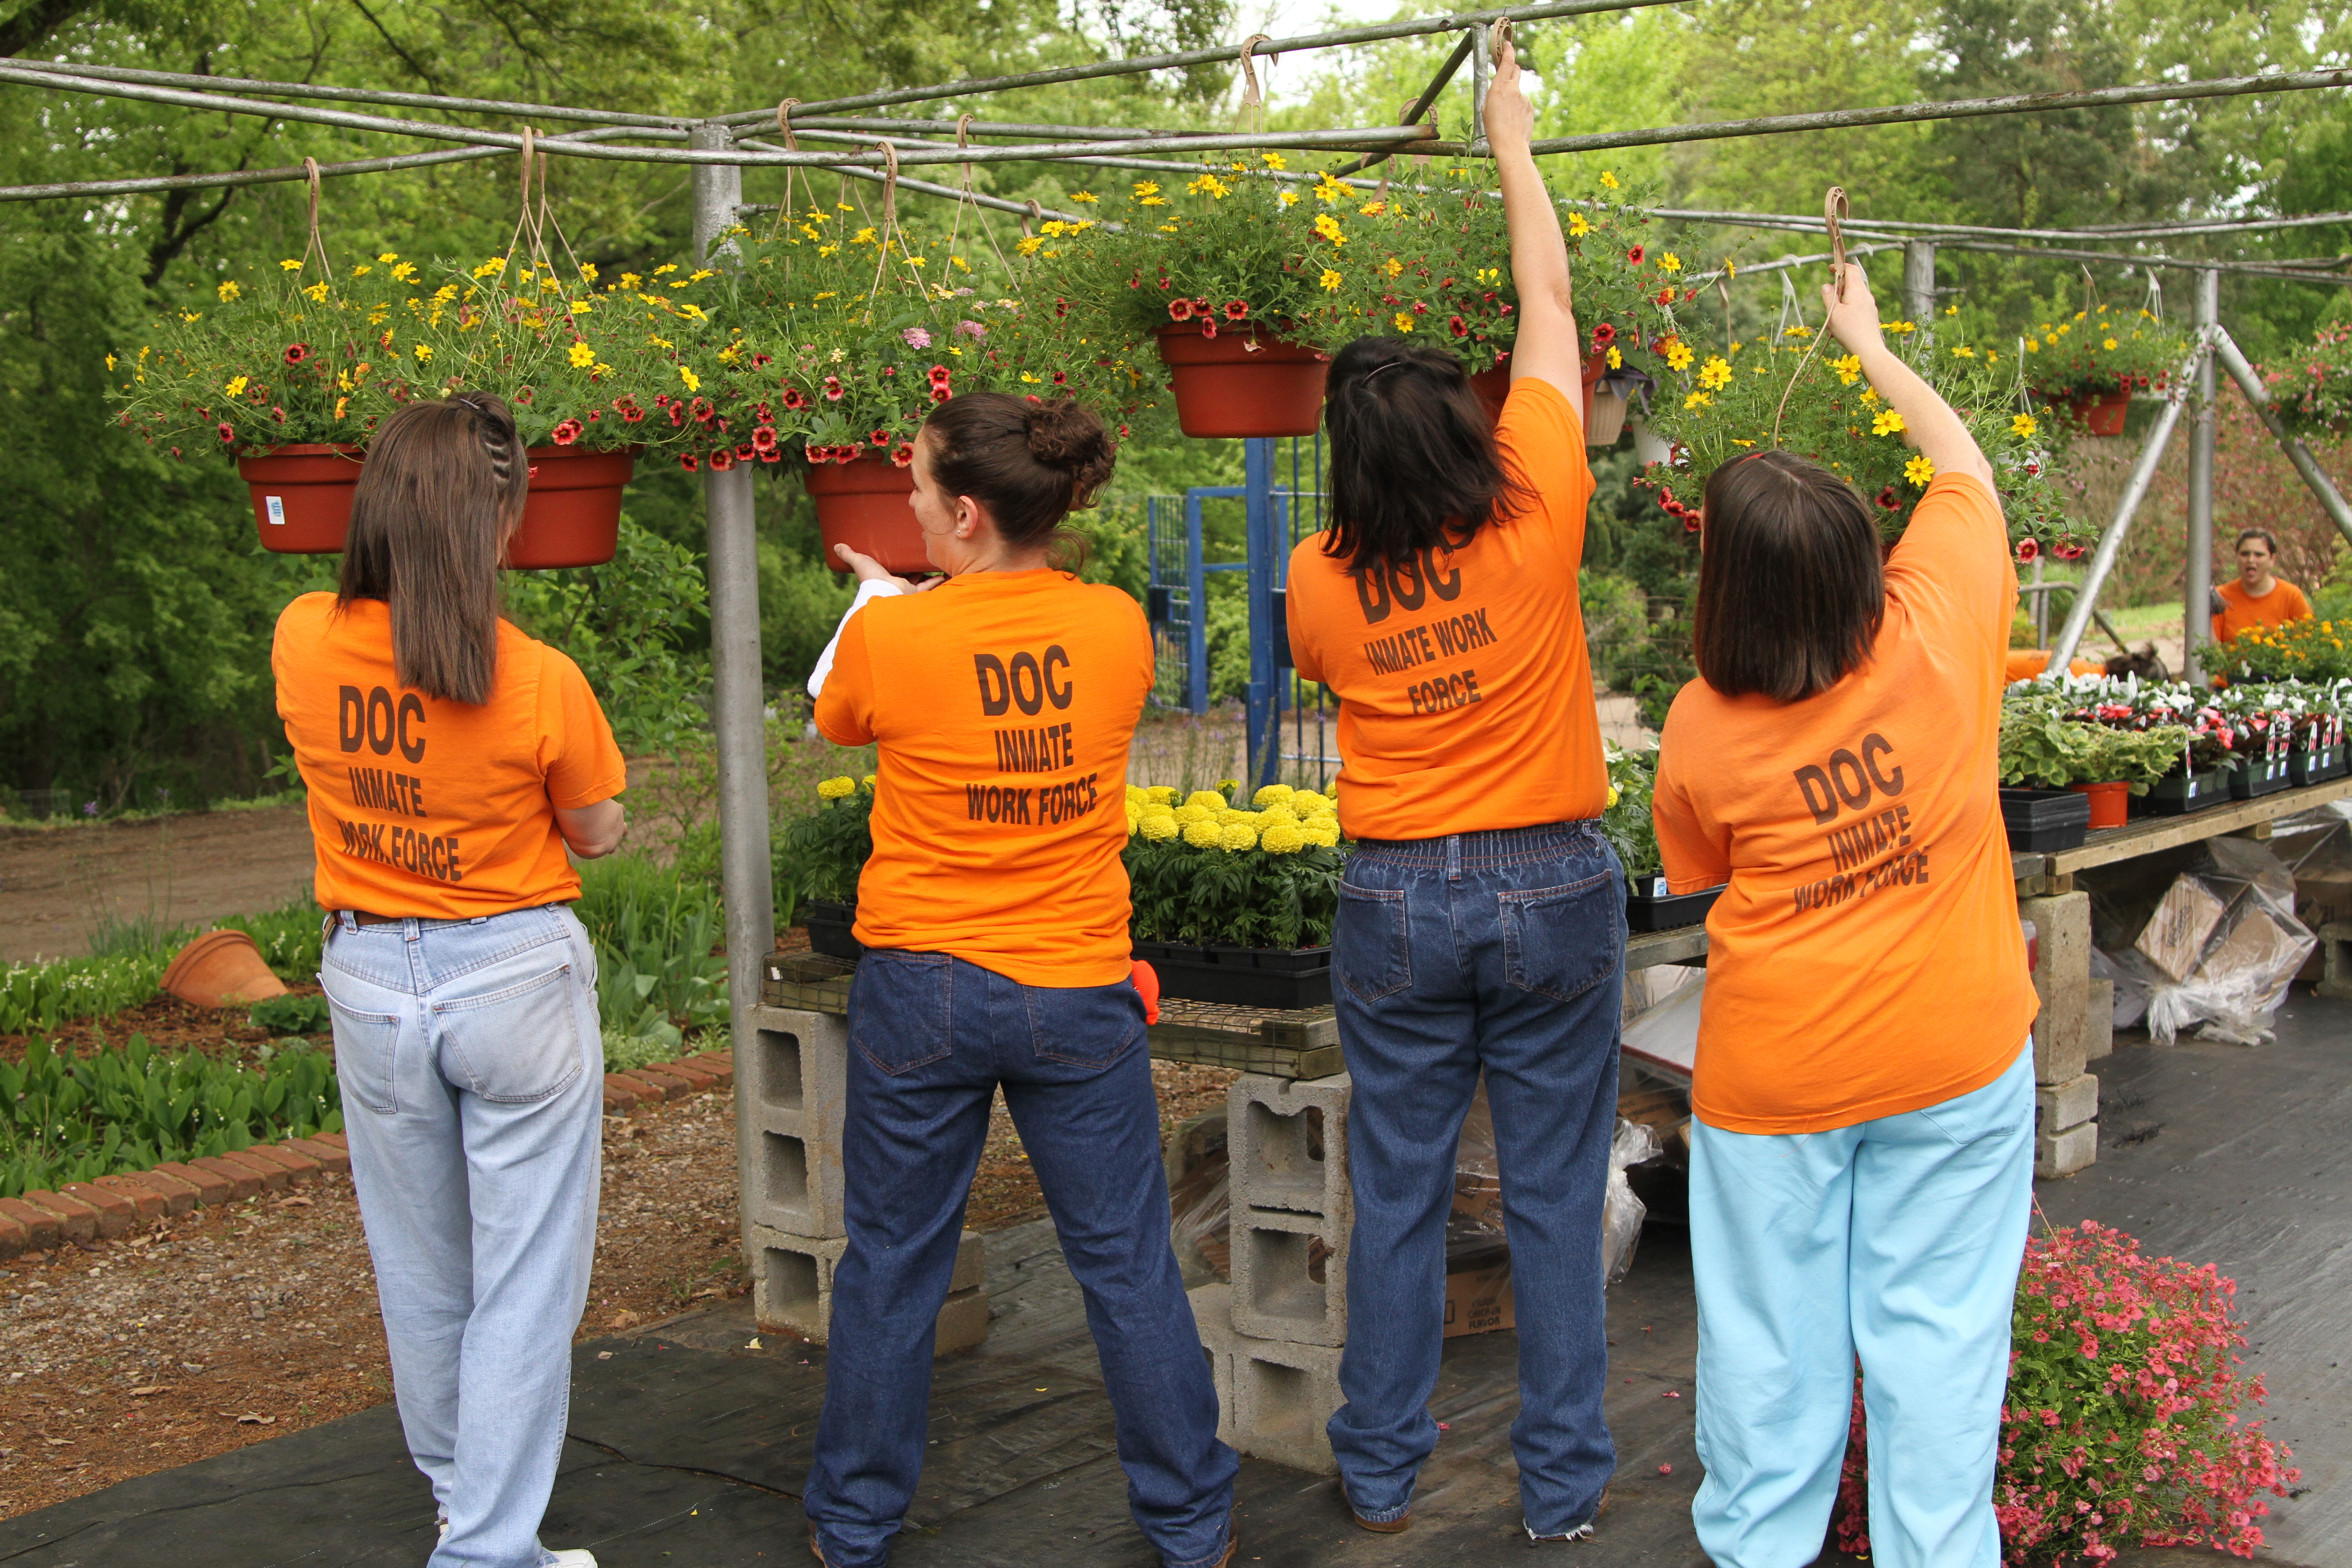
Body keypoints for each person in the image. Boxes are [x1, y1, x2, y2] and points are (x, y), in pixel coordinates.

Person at [1281, 36, 1624, 1546]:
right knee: (1552, 1195)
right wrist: (1509, 138)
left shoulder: (1314, 579)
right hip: (1552, 881)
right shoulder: (1535, 504)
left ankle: (1376, 1470)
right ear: (1466, 431)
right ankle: (1560, 1492)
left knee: (1401, 1194)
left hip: (1397, 899)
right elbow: (1547, 304)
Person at [801, 393, 1238, 1568]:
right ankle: (1194, 1523)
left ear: (962, 511)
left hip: (924, 987)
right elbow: (1009, 652)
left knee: (894, 1265)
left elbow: (836, 712)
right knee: (1126, 1264)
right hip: (1074, 991)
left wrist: (880, 600)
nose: (900, 504)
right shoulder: (1115, 627)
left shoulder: (893, 640)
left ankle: (853, 1526)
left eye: (913, 488)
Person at [1650, 264, 2037, 1568]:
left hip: (1781, 1079)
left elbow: (1698, 877)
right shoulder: (1942, 625)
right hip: (1960, 1054)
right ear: (1870, 566)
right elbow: (1963, 464)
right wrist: (1867, 346)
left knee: (1770, 1353)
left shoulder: (1703, 730)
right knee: (1940, 1344)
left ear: (1728, 592)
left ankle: (1763, 1550)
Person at [279, 392, 628, 1568]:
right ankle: (483, 1551)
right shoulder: (537, 677)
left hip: (371, 975)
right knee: (524, 1284)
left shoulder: (298, 639)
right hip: (514, 978)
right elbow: (597, 829)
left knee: (422, 1273)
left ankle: (465, 1511)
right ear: (500, 521)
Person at [2210, 527, 2312, 648]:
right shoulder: (2221, 597)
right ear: (2236, 557)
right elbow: (2213, 651)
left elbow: (2308, 643)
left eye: (2259, 555)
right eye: (2245, 554)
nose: (2251, 560)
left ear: (2272, 559)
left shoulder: (2291, 596)